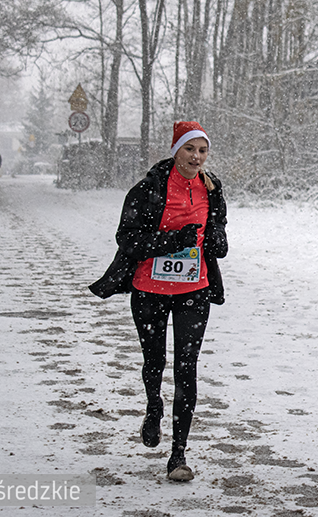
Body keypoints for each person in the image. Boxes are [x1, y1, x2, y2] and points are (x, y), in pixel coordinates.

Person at [89, 121, 228, 481]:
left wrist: (216, 241)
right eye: (189, 150)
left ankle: (178, 455)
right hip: (149, 289)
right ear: (175, 151)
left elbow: (218, 235)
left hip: (193, 290)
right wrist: (170, 241)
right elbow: (128, 240)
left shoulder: (212, 189)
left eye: (202, 150)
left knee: (187, 368)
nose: (196, 157)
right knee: (154, 361)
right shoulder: (147, 189)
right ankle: (154, 407)